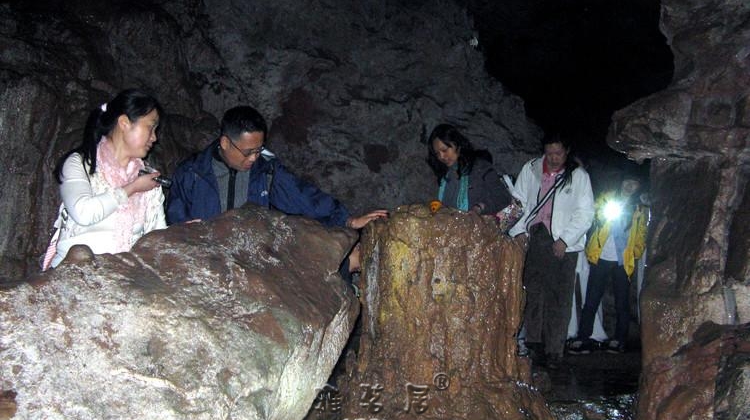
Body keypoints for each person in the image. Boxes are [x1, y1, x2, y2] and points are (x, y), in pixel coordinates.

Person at [166, 105, 388, 236]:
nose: (254, 158)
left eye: (259, 149)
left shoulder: (266, 171)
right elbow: (174, 223)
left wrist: (348, 221)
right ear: (225, 143)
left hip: (249, 261)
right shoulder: (191, 174)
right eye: (248, 152)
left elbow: (305, 198)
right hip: (205, 262)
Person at [45, 90, 167, 269]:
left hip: (124, 276)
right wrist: (131, 188)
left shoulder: (148, 178)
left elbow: (158, 237)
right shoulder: (80, 163)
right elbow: (83, 213)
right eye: (150, 127)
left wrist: (180, 233)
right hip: (72, 274)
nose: (154, 138)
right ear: (124, 123)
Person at [509, 132, 594, 368]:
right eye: (549, 153)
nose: (554, 158)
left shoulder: (578, 176)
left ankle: (555, 349)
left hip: (563, 242)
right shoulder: (531, 169)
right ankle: (534, 344)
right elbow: (518, 201)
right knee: (533, 292)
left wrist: (565, 240)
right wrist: (518, 232)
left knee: (559, 296)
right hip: (536, 236)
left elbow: (585, 212)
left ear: (567, 152)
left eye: (558, 153)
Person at [568, 168, 649, 354]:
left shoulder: (639, 208)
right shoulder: (606, 198)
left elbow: (642, 234)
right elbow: (593, 214)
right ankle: (583, 338)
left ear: (638, 186)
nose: (630, 186)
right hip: (601, 256)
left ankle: (619, 339)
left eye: (634, 183)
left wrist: (635, 253)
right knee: (592, 299)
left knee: (622, 302)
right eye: (627, 181)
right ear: (621, 182)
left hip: (623, 260)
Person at [427, 124, 513, 215]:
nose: (441, 157)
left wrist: (479, 207)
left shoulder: (480, 168)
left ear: (457, 144)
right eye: (437, 154)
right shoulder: (445, 176)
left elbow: (503, 197)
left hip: (477, 223)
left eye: (444, 150)